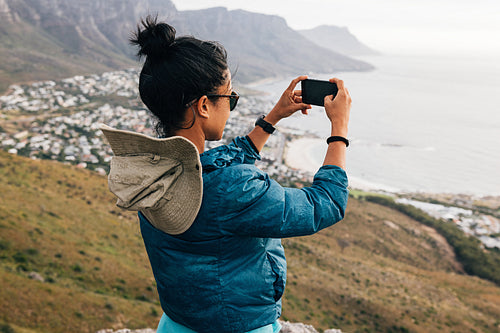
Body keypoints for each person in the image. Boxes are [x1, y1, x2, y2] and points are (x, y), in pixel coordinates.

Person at [102, 15, 351, 333]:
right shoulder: (233, 189)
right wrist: (339, 129)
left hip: (177, 322)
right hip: (240, 326)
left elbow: (211, 167)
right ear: (204, 105)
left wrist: (272, 118)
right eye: (229, 98)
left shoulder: (150, 168)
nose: (232, 105)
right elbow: (326, 204)